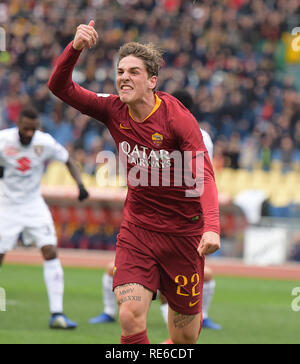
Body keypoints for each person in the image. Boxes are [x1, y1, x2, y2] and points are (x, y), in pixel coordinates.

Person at [48, 20, 220, 344]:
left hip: (184, 235)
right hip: (137, 231)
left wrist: (212, 225)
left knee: (185, 338)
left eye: (133, 72)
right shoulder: (113, 109)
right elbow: (60, 87)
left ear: (152, 80)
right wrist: (75, 48)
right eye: (120, 71)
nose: (123, 77)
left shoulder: (178, 119)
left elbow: (205, 174)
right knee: (129, 315)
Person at [89, 91, 222, 331]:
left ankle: (196, 316)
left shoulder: (196, 136)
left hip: (182, 224)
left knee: (184, 330)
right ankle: (110, 312)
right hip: (146, 222)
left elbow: (203, 176)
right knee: (128, 309)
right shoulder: (141, 122)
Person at [0, 107, 89, 329]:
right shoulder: (3, 140)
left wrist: (80, 185)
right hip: (6, 204)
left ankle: (57, 314)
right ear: (18, 125)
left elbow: (67, 160)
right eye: (25, 129)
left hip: (33, 204)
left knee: (50, 250)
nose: (29, 133)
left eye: (33, 129)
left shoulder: (45, 142)